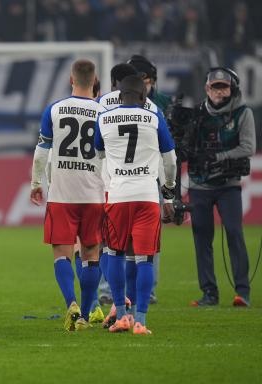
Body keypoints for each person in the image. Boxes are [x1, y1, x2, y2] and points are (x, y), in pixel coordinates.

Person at [94, 74, 177, 335]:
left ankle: (122, 314)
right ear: (144, 97)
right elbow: (171, 159)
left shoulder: (104, 118)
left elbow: (99, 156)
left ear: (119, 96)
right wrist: (169, 188)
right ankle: (140, 320)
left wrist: (110, 181)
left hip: (118, 195)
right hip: (147, 195)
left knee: (114, 254)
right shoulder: (154, 118)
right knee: (144, 259)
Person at [30, 59, 106, 331]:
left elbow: (42, 151)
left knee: (62, 253)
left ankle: (71, 304)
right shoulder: (103, 112)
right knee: (90, 254)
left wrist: (36, 182)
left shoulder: (54, 109)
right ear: (94, 81)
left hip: (62, 194)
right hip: (94, 194)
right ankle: (85, 314)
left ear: (71, 80)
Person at [187, 67, 255, 307]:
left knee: (235, 234)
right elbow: (185, 146)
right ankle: (209, 293)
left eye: (223, 86)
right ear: (207, 88)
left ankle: (242, 292)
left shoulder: (242, 113)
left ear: (232, 88)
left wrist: (218, 157)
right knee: (202, 239)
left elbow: (248, 146)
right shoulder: (195, 114)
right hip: (199, 184)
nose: (219, 91)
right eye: (215, 86)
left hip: (229, 184)